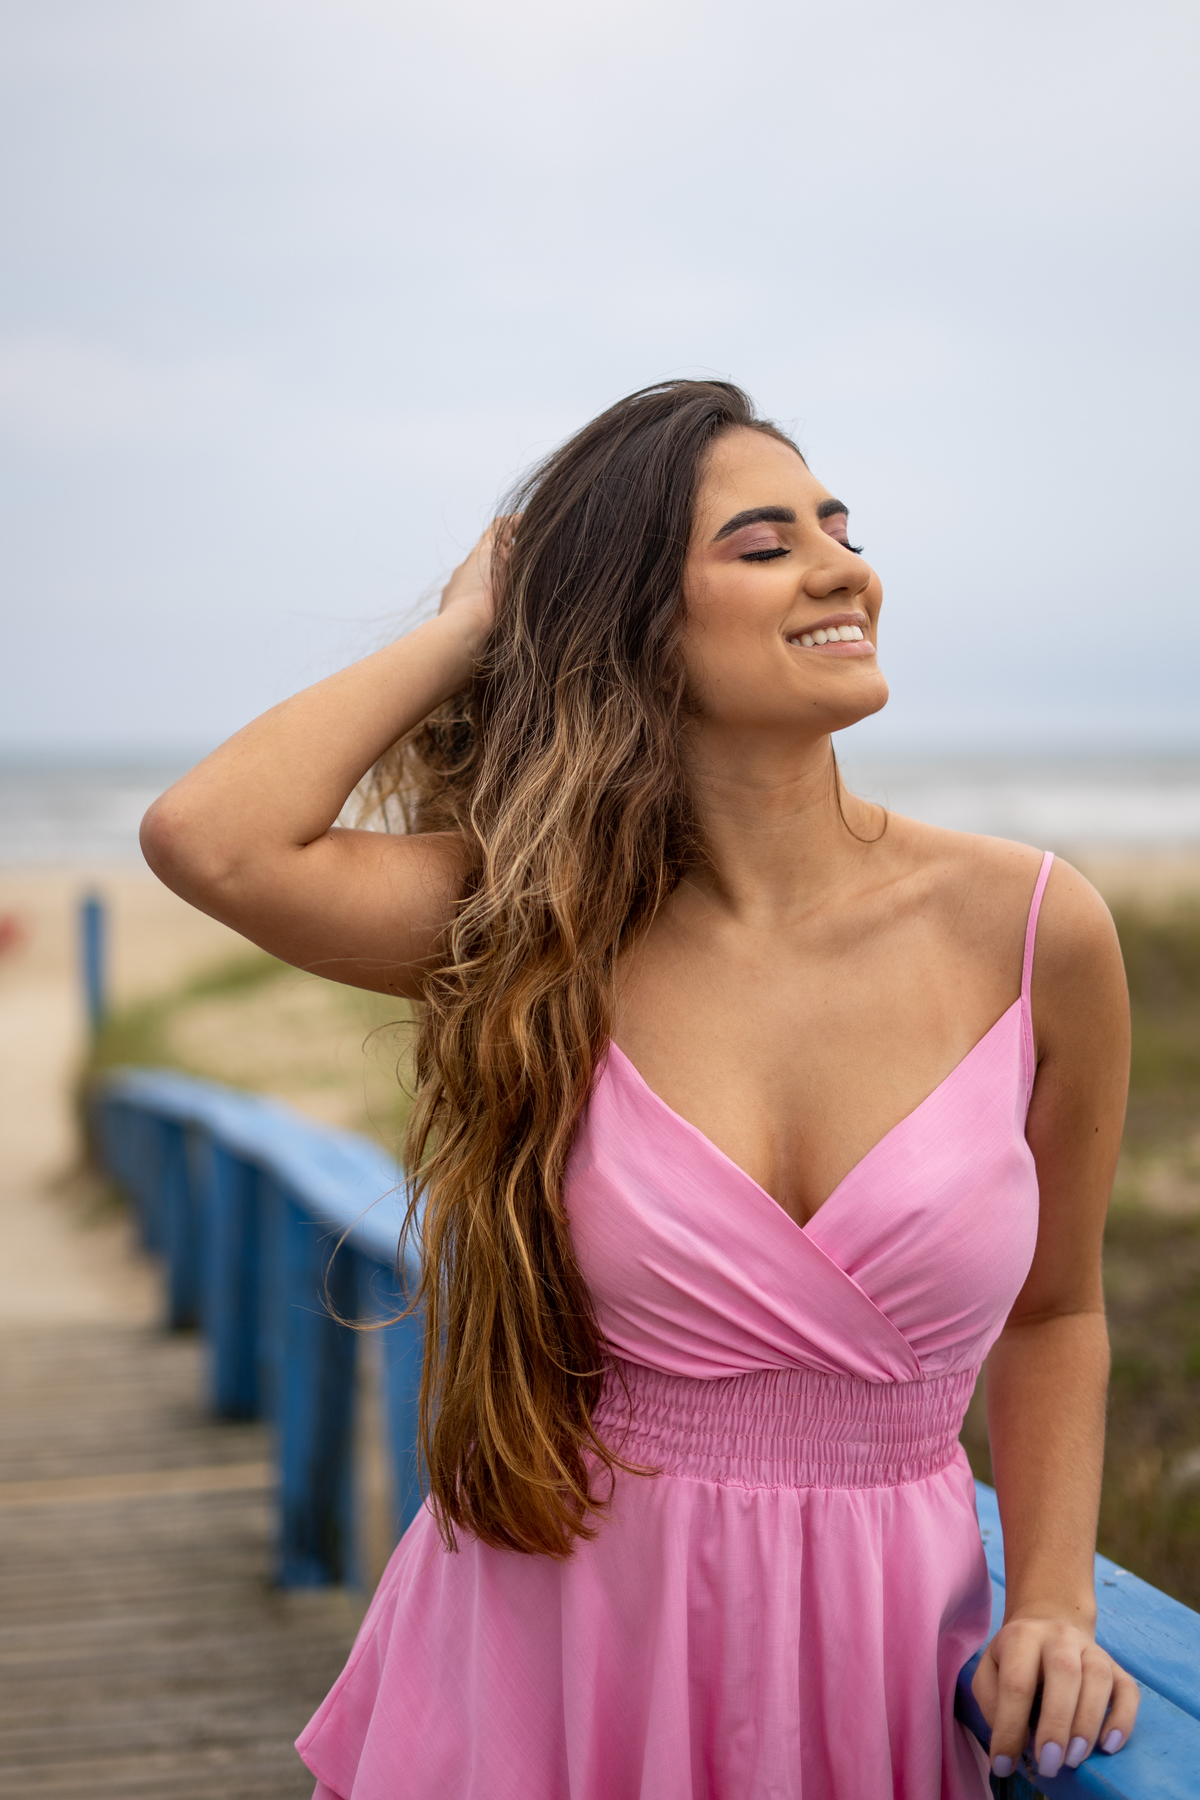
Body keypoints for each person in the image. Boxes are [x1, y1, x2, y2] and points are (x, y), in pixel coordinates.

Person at [141, 379, 1139, 1797]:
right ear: (634, 626)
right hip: (561, 1646)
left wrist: (1054, 1600)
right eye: (763, 542)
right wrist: (469, 630)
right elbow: (210, 842)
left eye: (838, 524)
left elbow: (1059, 1308)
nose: (843, 564)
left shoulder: (1033, 928)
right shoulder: (533, 926)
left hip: (885, 1647)